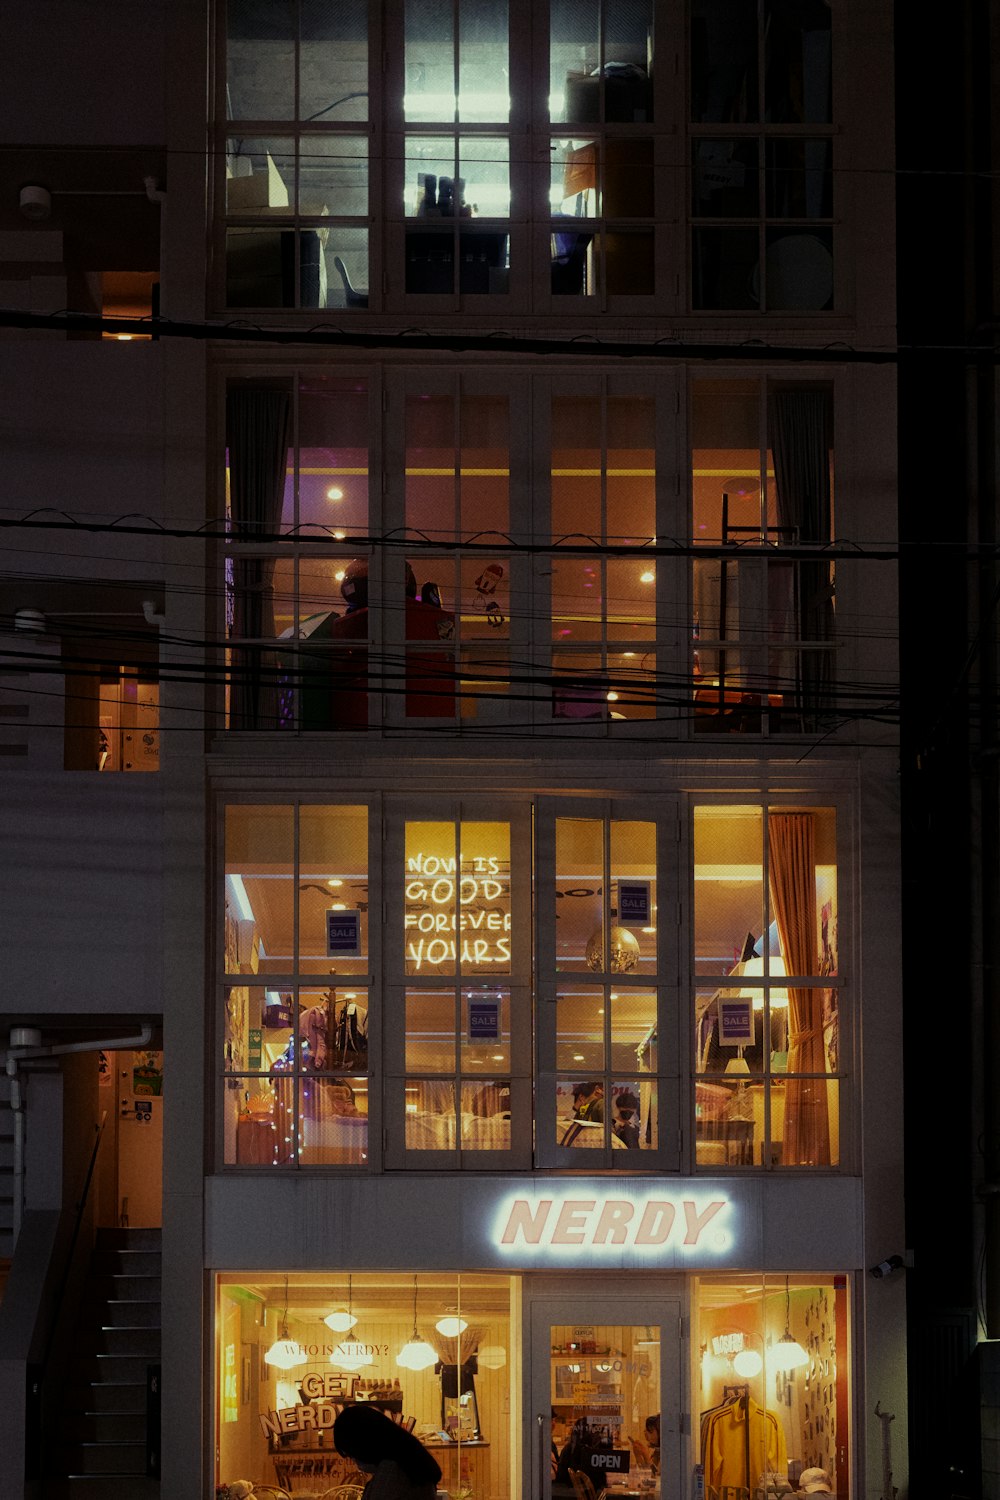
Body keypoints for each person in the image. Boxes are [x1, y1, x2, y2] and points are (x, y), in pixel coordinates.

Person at [333, 1403, 442, 1500]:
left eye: (352, 1455)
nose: (355, 1462)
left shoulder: (391, 1472)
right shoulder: (409, 1462)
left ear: (363, 1446)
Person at [560, 1080, 604, 1146]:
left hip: (591, 1143)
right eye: (601, 1089)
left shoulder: (599, 1103)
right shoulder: (599, 1104)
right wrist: (577, 1106)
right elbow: (568, 1124)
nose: (601, 1092)